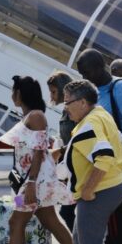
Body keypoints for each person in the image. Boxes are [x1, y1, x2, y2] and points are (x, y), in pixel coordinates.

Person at [0, 76, 83, 244]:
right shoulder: (30, 116)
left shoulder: (36, 116)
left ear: (20, 93)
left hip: (34, 183)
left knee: (16, 221)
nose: (12, 95)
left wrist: (32, 183)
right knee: (49, 219)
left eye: (14, 91)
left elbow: (38, 152)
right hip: (27, 182)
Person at [61, 80, 122, 244]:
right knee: (82, 243)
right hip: (113, 185)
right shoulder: (100, 114)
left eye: (67, 102)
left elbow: (104, 157)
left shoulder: (88, 124)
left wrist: (89, 189)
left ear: (82, 102)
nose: (65, 108)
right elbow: (118, 139)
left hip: (101, 190)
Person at [75, 49, 122, 182]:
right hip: (102, 163)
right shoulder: (94, 93)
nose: (84, 77)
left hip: (119, 165)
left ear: (99, 67)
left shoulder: (120, 87)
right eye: (82, 74)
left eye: (87, 73)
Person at [46, 70, 78, 233]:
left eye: (53, 91)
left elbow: (78, 137)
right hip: (72, 167)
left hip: (78, 166)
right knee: (68, 211)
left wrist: (62, 149)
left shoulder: (73, 110)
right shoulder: (67, 109)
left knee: (66, 211)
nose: (51, 96)